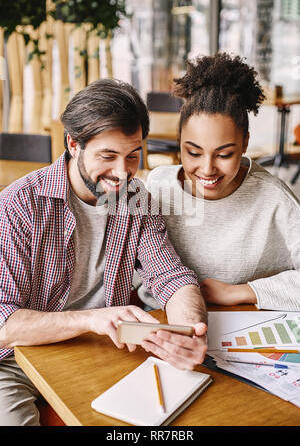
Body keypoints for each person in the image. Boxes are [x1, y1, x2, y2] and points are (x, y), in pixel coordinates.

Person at [0, 79, 207, 426]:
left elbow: (171, 276)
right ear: (73, 144)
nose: (122, 173)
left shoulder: (135, 198)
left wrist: (189, 330)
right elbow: (3, 323)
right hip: (16, 358)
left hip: (99, 351)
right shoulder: (19, 205)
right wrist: (91, 319)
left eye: (132, 156)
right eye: (107, 156)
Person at [138, 52, 300, 312]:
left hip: (240, 328)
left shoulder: (273, 198)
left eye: (224, 154)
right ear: (179, 142)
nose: (207, 168)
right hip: (162, 325)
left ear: (245, 143)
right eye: (193, 152)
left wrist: (243, 292)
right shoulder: (158, 186)